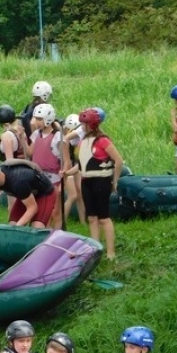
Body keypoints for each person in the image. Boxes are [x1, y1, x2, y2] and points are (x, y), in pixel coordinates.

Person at [61, 108, 124, 260]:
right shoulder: (83, 142)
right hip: (86, 182)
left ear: (91, 125)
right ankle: (95, 248)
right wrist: (68, 173)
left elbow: (118, 160)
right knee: (91, 218)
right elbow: (82, 165)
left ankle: (110, 252)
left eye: (84, 124)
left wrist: (114, 181)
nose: (81, 127)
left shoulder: (103, 140)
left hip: (101, 182)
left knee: (103, 218)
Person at [28, 103, 65, 228]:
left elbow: (65, 161)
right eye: (36, 118)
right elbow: (30, 152)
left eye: (39, 119)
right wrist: (22, 138)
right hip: (39, 177)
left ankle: (57, 237)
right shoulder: (36, 134)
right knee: (42, 212)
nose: (36, 122)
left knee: (55, 212)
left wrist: (62, 180)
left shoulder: (57, 137)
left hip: (53, 178)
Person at [0, 104, 29, 216]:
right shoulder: (21, 133)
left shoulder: (6, 136)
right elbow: (26, 154)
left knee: (13, 208)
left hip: (12, 174)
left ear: (5, 124)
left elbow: (9, 161)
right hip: (24, 171)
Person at [61, 113, 86, 223]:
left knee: (80, 193)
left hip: (75, 165)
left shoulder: (76, 139)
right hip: (66, 167)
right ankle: (62, 222)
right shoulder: (63, 140)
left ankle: (83, 221)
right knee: (73, 195)